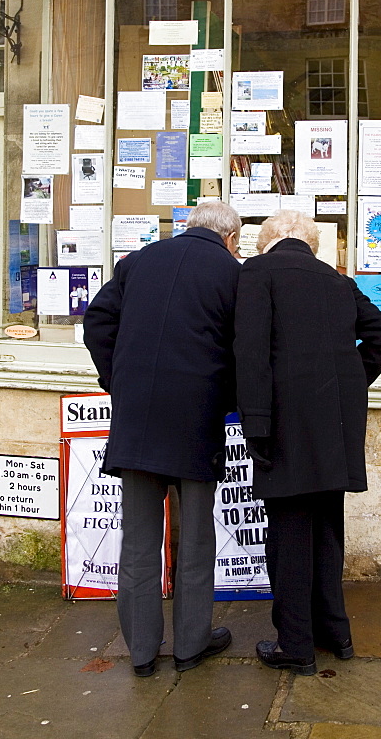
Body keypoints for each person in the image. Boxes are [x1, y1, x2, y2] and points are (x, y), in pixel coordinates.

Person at [234, 210, 381, 676]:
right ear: (310, 243)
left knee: (288, 537)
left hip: (283, 426)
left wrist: (256, 424)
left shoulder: (257, 273)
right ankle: (336, 633)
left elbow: (250, 354)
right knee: (327, 532)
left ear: (266, 241)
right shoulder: (336, 281)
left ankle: (296, 645)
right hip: (335, 428)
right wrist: (347, 386)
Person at [83, 201, 242, 677]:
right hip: (196, 421)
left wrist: (118, 380)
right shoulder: (232, 272)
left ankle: (142, 652)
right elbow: (243, 346)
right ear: (230, 238)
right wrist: (226, 397)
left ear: (187, 227)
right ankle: (192, 646)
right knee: (195, 540)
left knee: (137, 541)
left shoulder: (139, 261)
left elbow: (97, 324)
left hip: (137, 421)